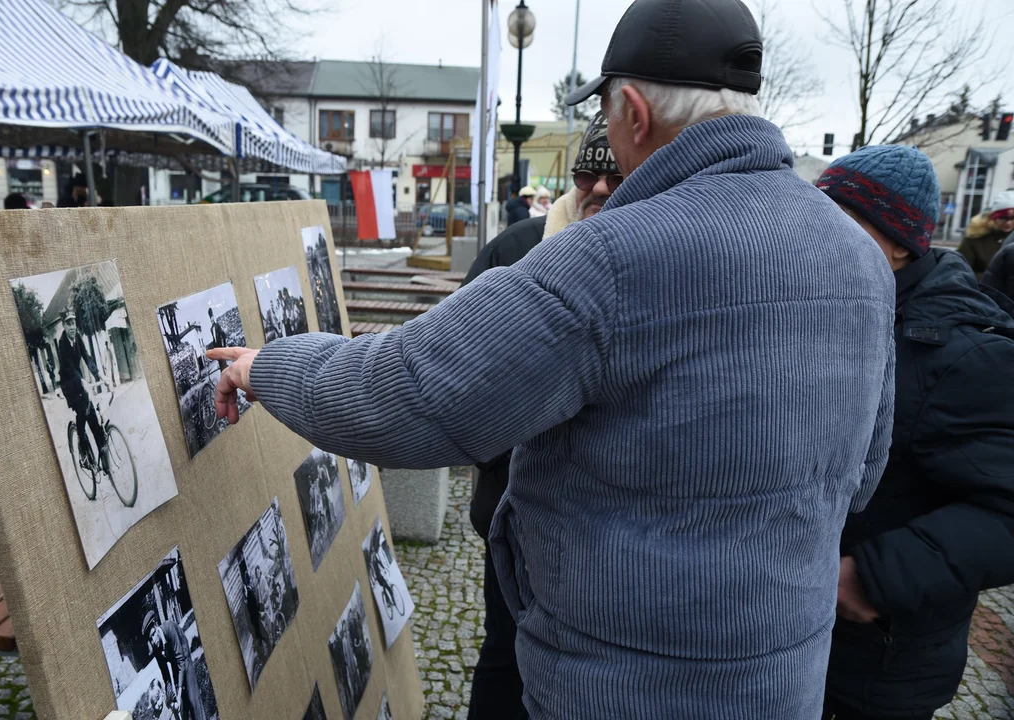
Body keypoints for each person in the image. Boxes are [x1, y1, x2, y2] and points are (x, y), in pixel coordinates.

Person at [208, 0, 896, 715]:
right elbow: (863, 472)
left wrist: (269, 367)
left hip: (620, 685)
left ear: (631, 110)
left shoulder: (612, 257)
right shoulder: (855, 253)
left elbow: (409, 394)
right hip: (784, 677)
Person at [817, 146, 1014, 720]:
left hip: (878, 666)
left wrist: (876, 577)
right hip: (798, 640)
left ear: (900, 243)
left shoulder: (965, 355)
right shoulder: (829, 311)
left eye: (839, 222)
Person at [463, 111, 621, 720]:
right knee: (504, 657)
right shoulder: (515, 249)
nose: (599, 190)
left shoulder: (662, 259)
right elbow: (460, 374)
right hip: (515, 517)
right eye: (587, 175)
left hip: (605, 541)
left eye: (615, 176)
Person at [57, 311, 107, 472]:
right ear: (64, 326)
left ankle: (104, 455)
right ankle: (82, 447)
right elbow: (69, 367)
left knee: (91, 412)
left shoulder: (77, 338)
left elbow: (87, 357)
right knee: (81, 410)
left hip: (80, 380)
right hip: (69, 383)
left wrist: (100, 375)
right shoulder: (62, 343)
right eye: (69, 324)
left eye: (73, 323)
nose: (72, 327)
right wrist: (82, 381)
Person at [144, 610, 206, 720]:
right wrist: (171, 696)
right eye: (150, 639)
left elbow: (181, 661)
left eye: (153, 634)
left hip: (184, 658)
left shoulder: (169, 627)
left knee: (192, 699)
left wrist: (179, 691)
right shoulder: (156, 648)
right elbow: (166, 676)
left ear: (156, 625)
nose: (153, 640)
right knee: (181, 704)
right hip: (174, 663)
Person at [956, 196, 1014, 276]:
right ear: (992, 218)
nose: (1008, 223)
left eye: (1013, 218)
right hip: (981, 286)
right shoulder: (976, 238)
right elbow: (959, 269)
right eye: (1002, 218)